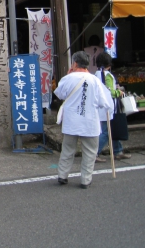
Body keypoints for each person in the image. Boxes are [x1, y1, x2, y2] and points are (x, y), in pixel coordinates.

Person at [55, 51, 113, 189]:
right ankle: (85, 180)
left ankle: (62, 175)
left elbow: (59, 94)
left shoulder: (68, 78)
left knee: (68, 149)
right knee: (90, 151)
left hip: (71, 122)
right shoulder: (95, 80)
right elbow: (104, 103)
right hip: (90, 122)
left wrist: (69, 75)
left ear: (74, 63)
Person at [94, 52, 131, 162]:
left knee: (112, 129)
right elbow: (109, 92)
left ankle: (118, 150)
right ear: (109, 65)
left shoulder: (95, 75)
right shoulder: (108, 76)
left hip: (99, 106)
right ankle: (95, 153)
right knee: (106, 131)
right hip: (108, 107)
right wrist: (118, 92)